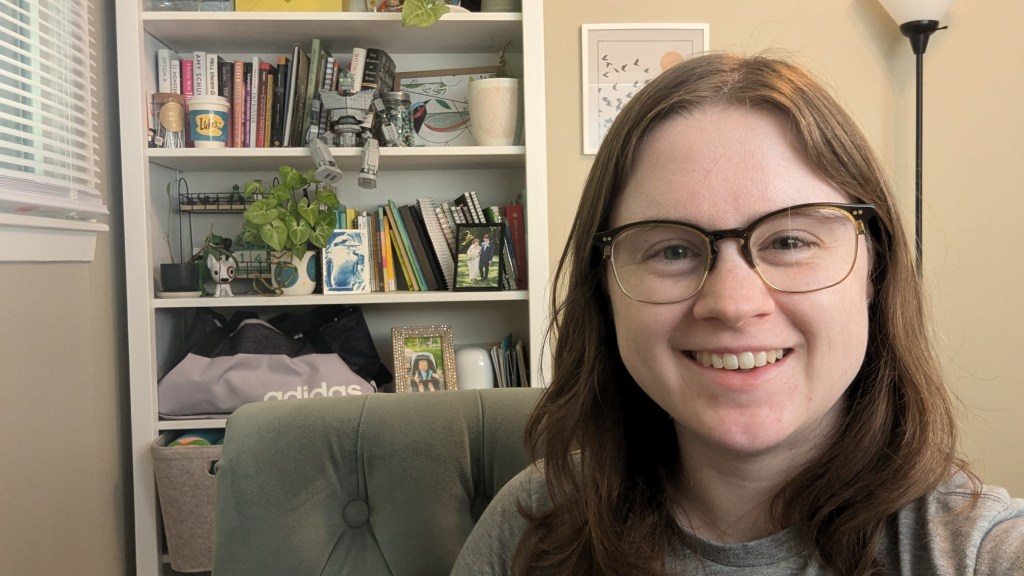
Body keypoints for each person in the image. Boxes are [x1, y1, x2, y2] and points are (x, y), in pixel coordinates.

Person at [451, 52, 1024, 575]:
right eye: (671, 250)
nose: (732, 304)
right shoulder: (533, 528)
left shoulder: (978, 551)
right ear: (604, 292)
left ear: (874, 270)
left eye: (791, 241)